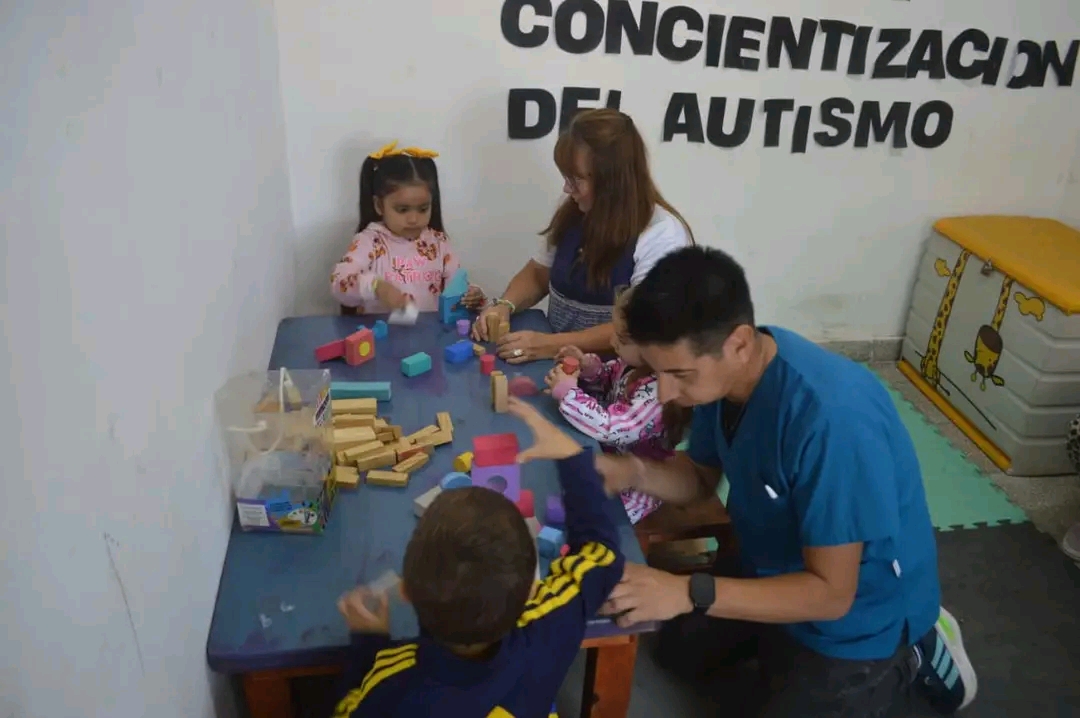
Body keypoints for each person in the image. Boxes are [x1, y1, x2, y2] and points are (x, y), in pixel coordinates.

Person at [594, 246, 978, 716]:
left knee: (772, 667)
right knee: (677, 649)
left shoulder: (833, 420)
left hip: (855, 613)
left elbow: (832, 594)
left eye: (678, 374)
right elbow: (698, 480)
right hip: (775, 561)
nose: (665, 391)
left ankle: (917, 648)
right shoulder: (725, 376)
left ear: (738, 344)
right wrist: (632, 471)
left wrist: (685, 592)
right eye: (658, 372)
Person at [329, 397, 625, 717]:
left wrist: (369, 644)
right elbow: (602, 552)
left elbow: (348, 710)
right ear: (531, 591)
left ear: (405, 592)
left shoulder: (393, 683)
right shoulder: (551, 625)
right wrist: (571, 457)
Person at [471, 109, 693, 364]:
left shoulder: (663, 234)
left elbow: (638, 327)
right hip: (559, 368)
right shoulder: (575, 211)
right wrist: (505, 305)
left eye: (575, 179)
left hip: (612, 377)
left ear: (612, 182)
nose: (567, 188)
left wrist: (548, 345)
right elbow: (538, 274)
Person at [545, 286, 692, 524]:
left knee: (596, 519)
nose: (612, 341)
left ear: (653, 350)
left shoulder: (657, 395)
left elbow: (611, 427)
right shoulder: (630, 364)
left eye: (621, 338)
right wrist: (587, 367)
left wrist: (568, 393)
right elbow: (608, 379)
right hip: (610, 457)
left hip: (639, 484)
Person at [331, 141, 484, 314]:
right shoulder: (369, 242)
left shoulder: (438, 243)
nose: (413, 219)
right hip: (381, 329)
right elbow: (339, 283)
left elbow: (455, 289)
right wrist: (377, 287)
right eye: (402, 210)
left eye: (423, 209)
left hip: (431, 329)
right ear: (379, 205)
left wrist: (471, 296)